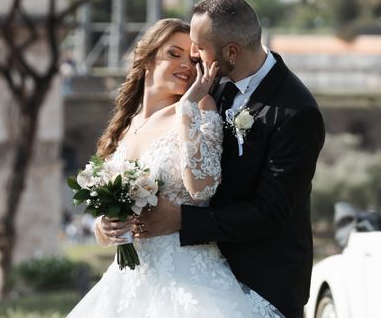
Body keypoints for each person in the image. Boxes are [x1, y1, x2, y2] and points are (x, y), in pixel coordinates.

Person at [67, 17, 282, 317]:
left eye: (194, 59)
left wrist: (187, 108)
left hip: (188, 278)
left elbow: (203, 187)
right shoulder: (126, 125)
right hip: (129, 280)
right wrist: (106, 228)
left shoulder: (201, 107)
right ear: (147, 58)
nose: (186, 65)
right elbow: (106, 222)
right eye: (174, 54)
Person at [133, 0, 325, 318]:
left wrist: (181, 219)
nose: (194, 55)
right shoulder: (213, 83)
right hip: (204, 275)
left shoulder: (297, 113)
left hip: (263, 281)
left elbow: (270, 212)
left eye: (199, 46)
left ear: (231, 52)